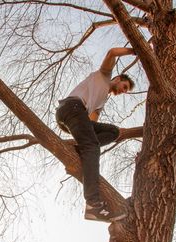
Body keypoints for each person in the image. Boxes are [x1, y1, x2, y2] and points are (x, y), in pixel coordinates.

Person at [55, 47, 135, 222]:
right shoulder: (104, 75)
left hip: (75, 117)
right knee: (92, 147)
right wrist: (134, 50)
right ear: (118, 78)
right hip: (72, 108)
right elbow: (112, 52)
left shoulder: (102, 99)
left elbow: (92, 123)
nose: (123, 91)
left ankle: (81, 148)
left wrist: (89, 141)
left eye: (126, 91)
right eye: (124, 86)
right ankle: (93, 205)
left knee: (112, 132)